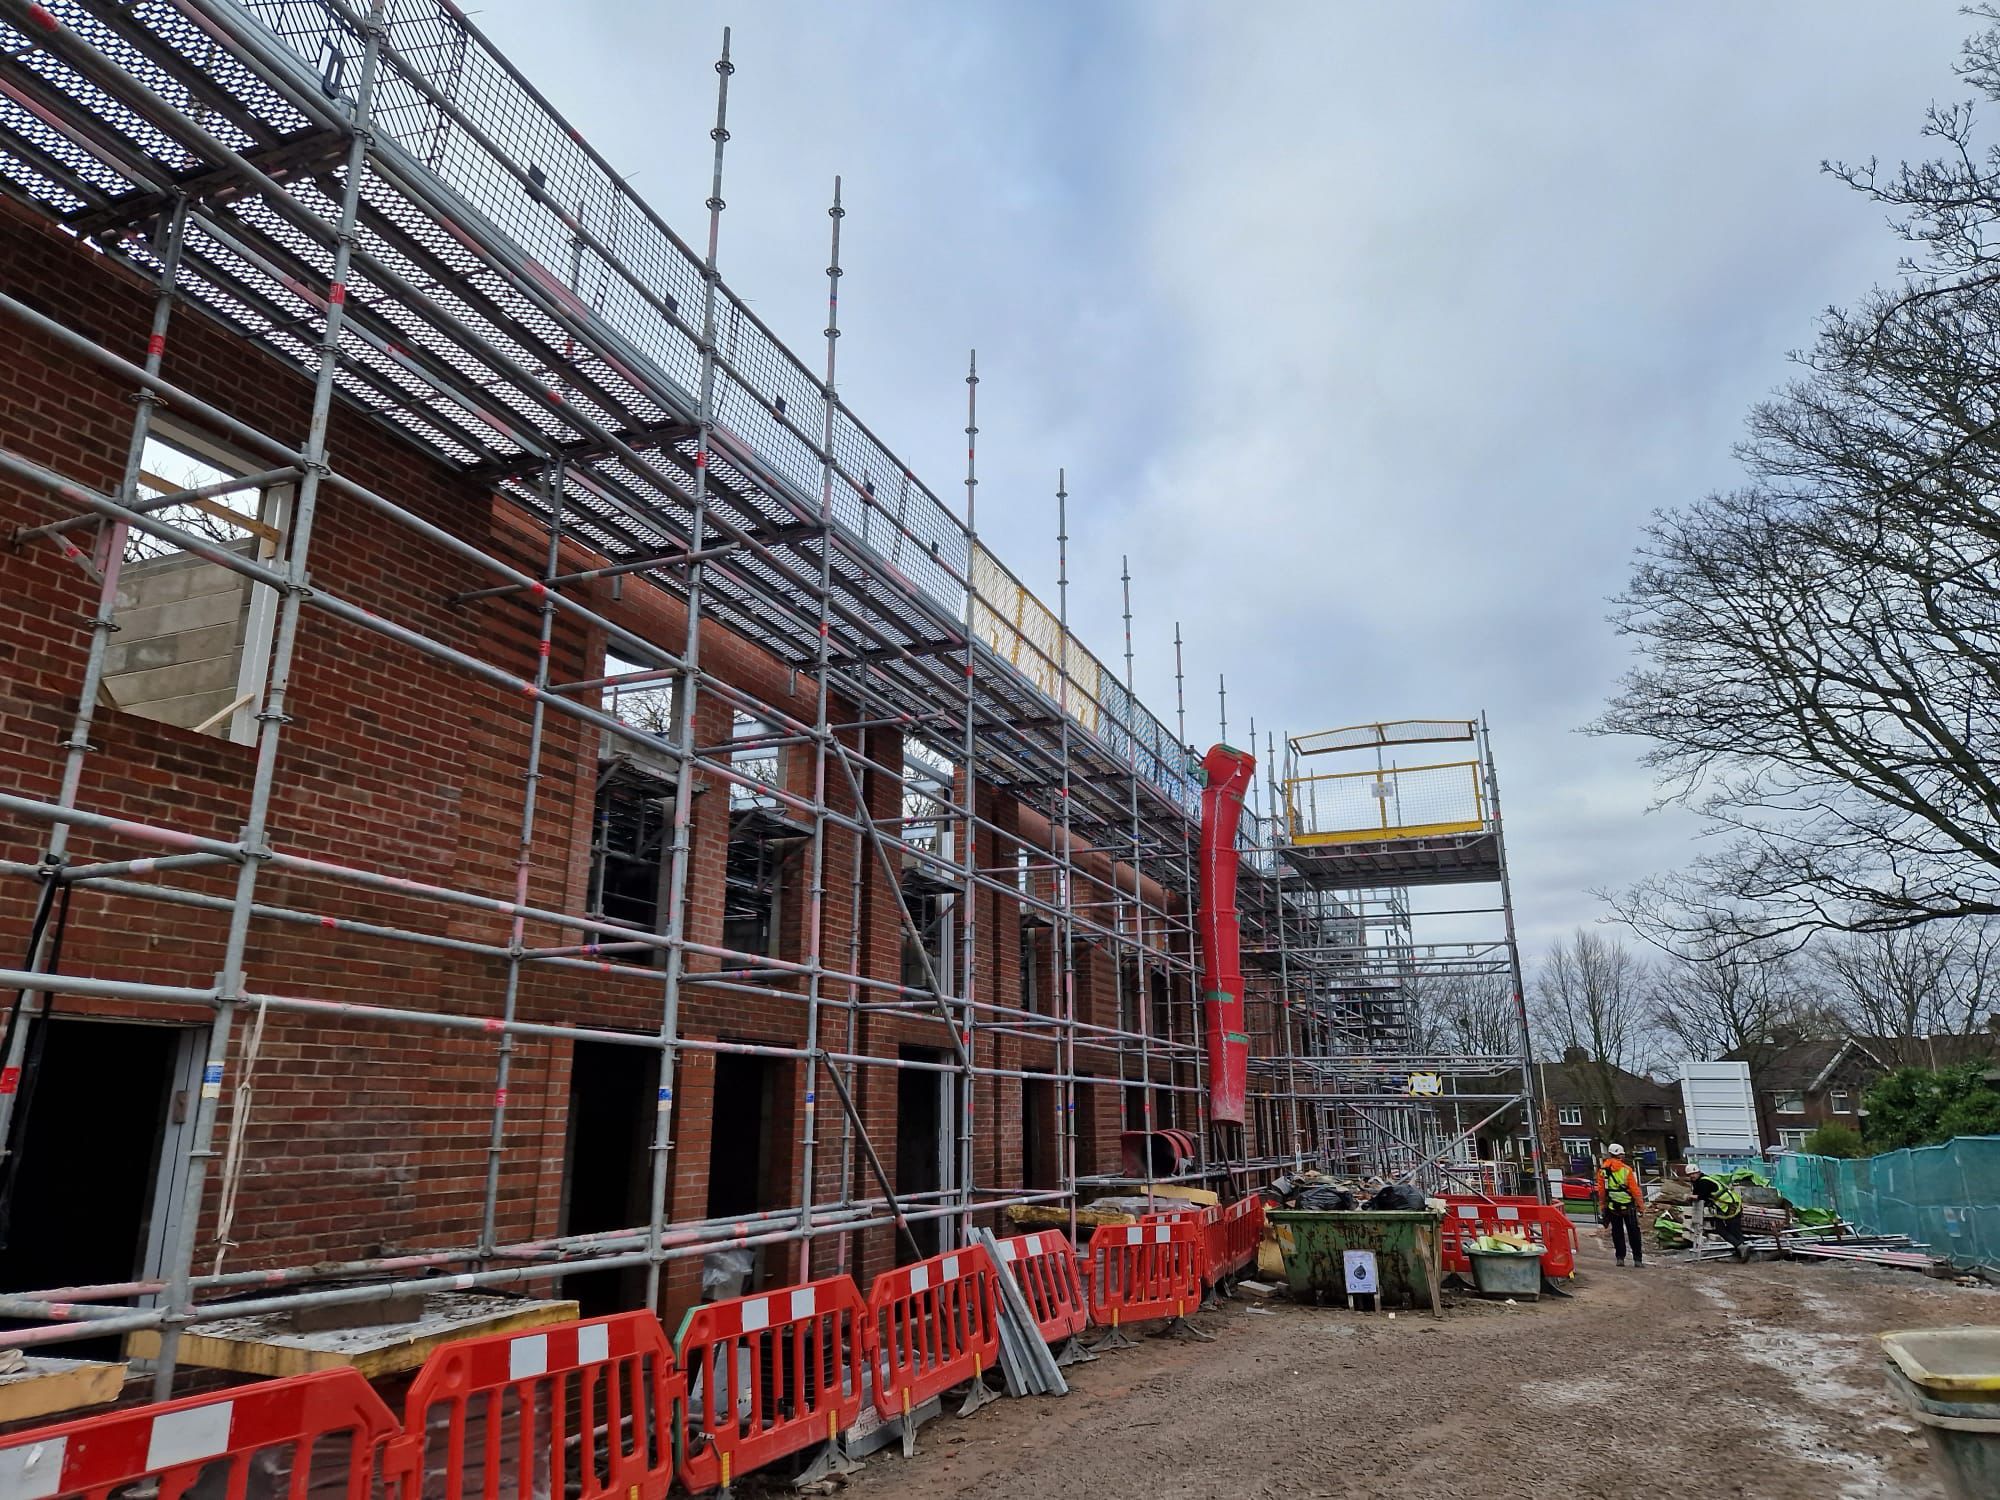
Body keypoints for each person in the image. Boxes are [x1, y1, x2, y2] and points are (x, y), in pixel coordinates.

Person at [1685, 1165, 1749, 1261]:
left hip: (1731, 1207)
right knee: (1724, 1229)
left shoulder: (1704, 1181)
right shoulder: (1699, 1182)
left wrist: (1688, 1196)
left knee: (1732, 1230)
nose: (1692, 1176)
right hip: (1723, 1208)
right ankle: (1741, 1249)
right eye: (1690, 1175)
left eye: (1693, 1174)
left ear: (1698, 1172)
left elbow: (1702, 1196)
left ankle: (1742, 1250)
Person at [1596, 1143, 1645, 1267]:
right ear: (1621, 1155)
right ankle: (1637, 1259)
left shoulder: (1602, 1171)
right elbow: (1635, 1190)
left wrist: (1602, 1205)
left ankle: (1620, 1258)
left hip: (1613, 1207)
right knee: (1634, 1233)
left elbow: (1601, 1191)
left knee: (1617, 1233)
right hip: (1628, 1206)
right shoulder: (1626, 1170)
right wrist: (1641, 1206)